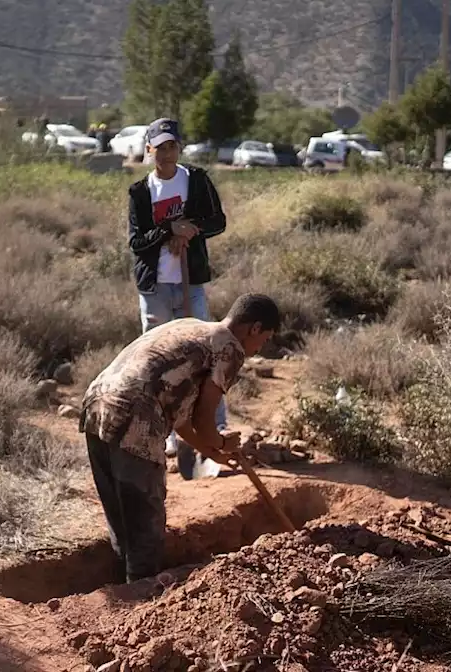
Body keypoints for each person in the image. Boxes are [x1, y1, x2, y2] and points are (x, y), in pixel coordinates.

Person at [80, 293, 280, 583]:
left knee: (122, 515)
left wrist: (212, 452)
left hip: (96, 406)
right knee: (145, 520)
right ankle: (141, 596)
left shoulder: (190, 326)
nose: (259, 347)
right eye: (264, 339)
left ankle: (126, 583)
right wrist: (222, 442)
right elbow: (204, 418)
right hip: (137, 416)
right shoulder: (230, 348)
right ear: (255, 328)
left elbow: (183, 421)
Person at [127, 117, 229, 476]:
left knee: (205, 351)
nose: (168, 152)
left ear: (178, 148)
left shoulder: (196, 180)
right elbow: (137, 243)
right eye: (161, 146)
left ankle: (214, 426)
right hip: (155, 287)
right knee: (156, 360)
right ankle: (164, 432)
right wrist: (169, 229)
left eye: (173, 145)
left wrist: (192, 230)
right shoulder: (140, 192)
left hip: (191, 281)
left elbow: (218, 220)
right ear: (149, 148)